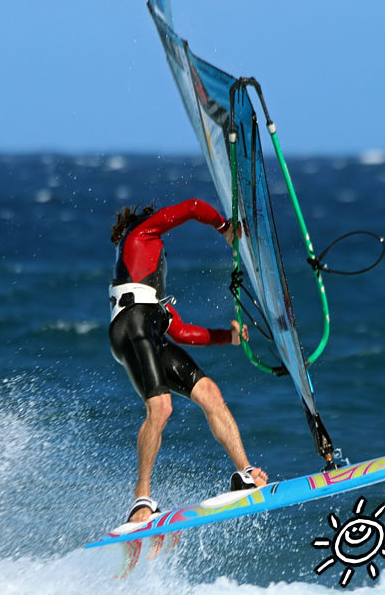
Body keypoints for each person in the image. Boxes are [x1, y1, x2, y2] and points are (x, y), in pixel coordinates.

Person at [108, 199, 269, 524]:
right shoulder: (141, 235)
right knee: (161, 407)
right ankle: (141, 500)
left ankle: (245, 473)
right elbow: (194, 207)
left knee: (209, 392)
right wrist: (225, 228)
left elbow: (180, 332)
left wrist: (229, 337)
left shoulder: (153, 297)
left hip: (148, 326)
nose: (164, 257)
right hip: (132, 325)